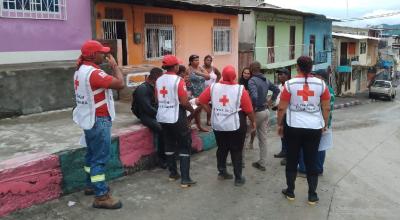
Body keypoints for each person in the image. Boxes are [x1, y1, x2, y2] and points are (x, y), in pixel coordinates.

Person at [73, 40, 124, 209]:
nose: (105, 55)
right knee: (99, 158)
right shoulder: (94, 73)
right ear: (93, 55)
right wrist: (115, 67)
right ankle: (101, 196)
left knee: (91, 155)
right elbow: (120, 84)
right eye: (102, 52)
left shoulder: (80, 70)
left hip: (88, 119)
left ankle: (90, 185)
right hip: (99, 120)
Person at [277, 56, 331, 205]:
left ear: (297, 67)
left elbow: (282, 107)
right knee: (311, 160)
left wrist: (279, 125)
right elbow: (326, 107)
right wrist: (324, 123)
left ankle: (290, 191)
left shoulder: (289, 84)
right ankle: (312, 195)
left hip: (293, 127)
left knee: (292, 159)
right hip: (314, 128)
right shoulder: (321, 84)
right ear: (312, 67)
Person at [198, 65, 256, 186]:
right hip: (236, 125)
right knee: (236, 150)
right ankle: (238, 178)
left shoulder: (213, 87)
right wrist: (253, 122)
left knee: (222, 148)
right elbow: (249, 110)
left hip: (218, 124)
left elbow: (201, 100)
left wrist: (210, 111)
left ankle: (222, 172)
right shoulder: (240, 89)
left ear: (223, 75)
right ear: (234, 76)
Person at [156, 55, 197, 188]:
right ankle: (185, 179)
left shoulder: (159, 80)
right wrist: (192, 110)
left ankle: (173, 173)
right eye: (178, 64)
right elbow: (184, 102)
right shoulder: (178, 80)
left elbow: (156, 100)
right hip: (176, 116)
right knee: (184, 145)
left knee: (169, 144)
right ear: (175, 67)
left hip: (162, 117)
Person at [298, 69, 335, 176]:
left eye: (315, 76)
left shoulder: (322, 90)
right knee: (321, 147)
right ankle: (318, 168)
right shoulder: (328, 89)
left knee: (304, 146)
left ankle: (304, 168)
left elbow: (326, 109)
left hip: (316, 123)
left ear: (321, 78)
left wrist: (323, 124)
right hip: (324, 123)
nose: (313, 78)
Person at [131, 67, 166, 169]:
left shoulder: (154, 86)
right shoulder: (143, 88)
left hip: (154, 112)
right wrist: (160, 115)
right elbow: (147, 108)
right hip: (145, 115)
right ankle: (161, 158)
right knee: (161, 129)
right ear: (155, 78)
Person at [248, 61, 280, 171]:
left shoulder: (252, 80)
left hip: (257, 112)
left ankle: (238, 162)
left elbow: (254, 97)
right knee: (263, 139)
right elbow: (276, 89)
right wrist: (270, 101)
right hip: (266, 111)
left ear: (251, 69)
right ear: (260, 69)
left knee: (243, 136)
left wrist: (254, 108)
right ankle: (262, 163)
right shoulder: (265, 79)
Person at [187, 54, 210, 132]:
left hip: (201, 92)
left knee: (199, 110)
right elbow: (185, 80)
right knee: (194, 109)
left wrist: (199, 73)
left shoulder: (200, 68)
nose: (197, 61)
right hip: (193, 93)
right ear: (191, 61)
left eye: (198, 60)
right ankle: (188, 123)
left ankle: (197, 125)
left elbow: (208, 77)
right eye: (195, 60)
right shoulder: (188, 69)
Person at [272, 68, 291, 166]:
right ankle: (283, 151)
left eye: (282, 74)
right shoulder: (279, 86)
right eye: (278, 75)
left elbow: (288, 101)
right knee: (282, 135)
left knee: (287, 136)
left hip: (286, 114)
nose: (279, 76)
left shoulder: (289, 86)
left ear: (287, 75)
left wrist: (278, 106)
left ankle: (288, 156)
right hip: (279, 114)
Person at [203, 55, 221, 126]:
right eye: (207, 60)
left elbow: (219, 74)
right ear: (204, 60)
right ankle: (196, 120)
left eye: (210, 60)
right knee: (200, 106)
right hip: (202, 90)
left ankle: (209, 120)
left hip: (212, 90)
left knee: (210, 105)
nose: (209, 61)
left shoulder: (214, 69)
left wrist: (216, 83)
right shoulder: (201, 68)